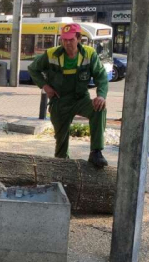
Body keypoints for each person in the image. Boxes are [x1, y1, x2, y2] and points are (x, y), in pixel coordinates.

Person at [28, 23, 109, 168]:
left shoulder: (89, 54)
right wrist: (45, 86)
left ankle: (96, 152)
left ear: (78, 38)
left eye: (70, 39)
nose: (66, 43)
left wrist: (101, 96)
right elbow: (33, 69)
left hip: (81, 99)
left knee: (99, 108)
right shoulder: (51, 54)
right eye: (64, 40)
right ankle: (62, 166)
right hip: (60, 101)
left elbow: (101, 76)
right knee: (61, 140)